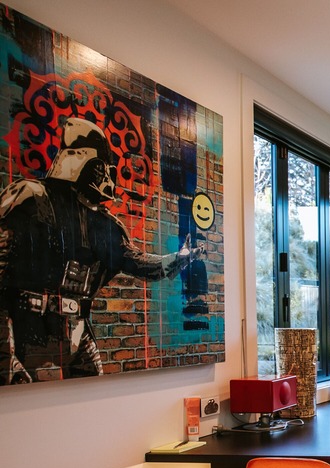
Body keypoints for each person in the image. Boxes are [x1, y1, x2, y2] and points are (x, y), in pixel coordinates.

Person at [0, 117, 201, 384]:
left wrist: (177, 259)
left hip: (77, 332)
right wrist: (5, 356)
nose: (107, 176)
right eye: (101, 167)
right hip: (29, 332)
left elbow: (138, 263)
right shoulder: (32, 198)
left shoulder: (105, 225)